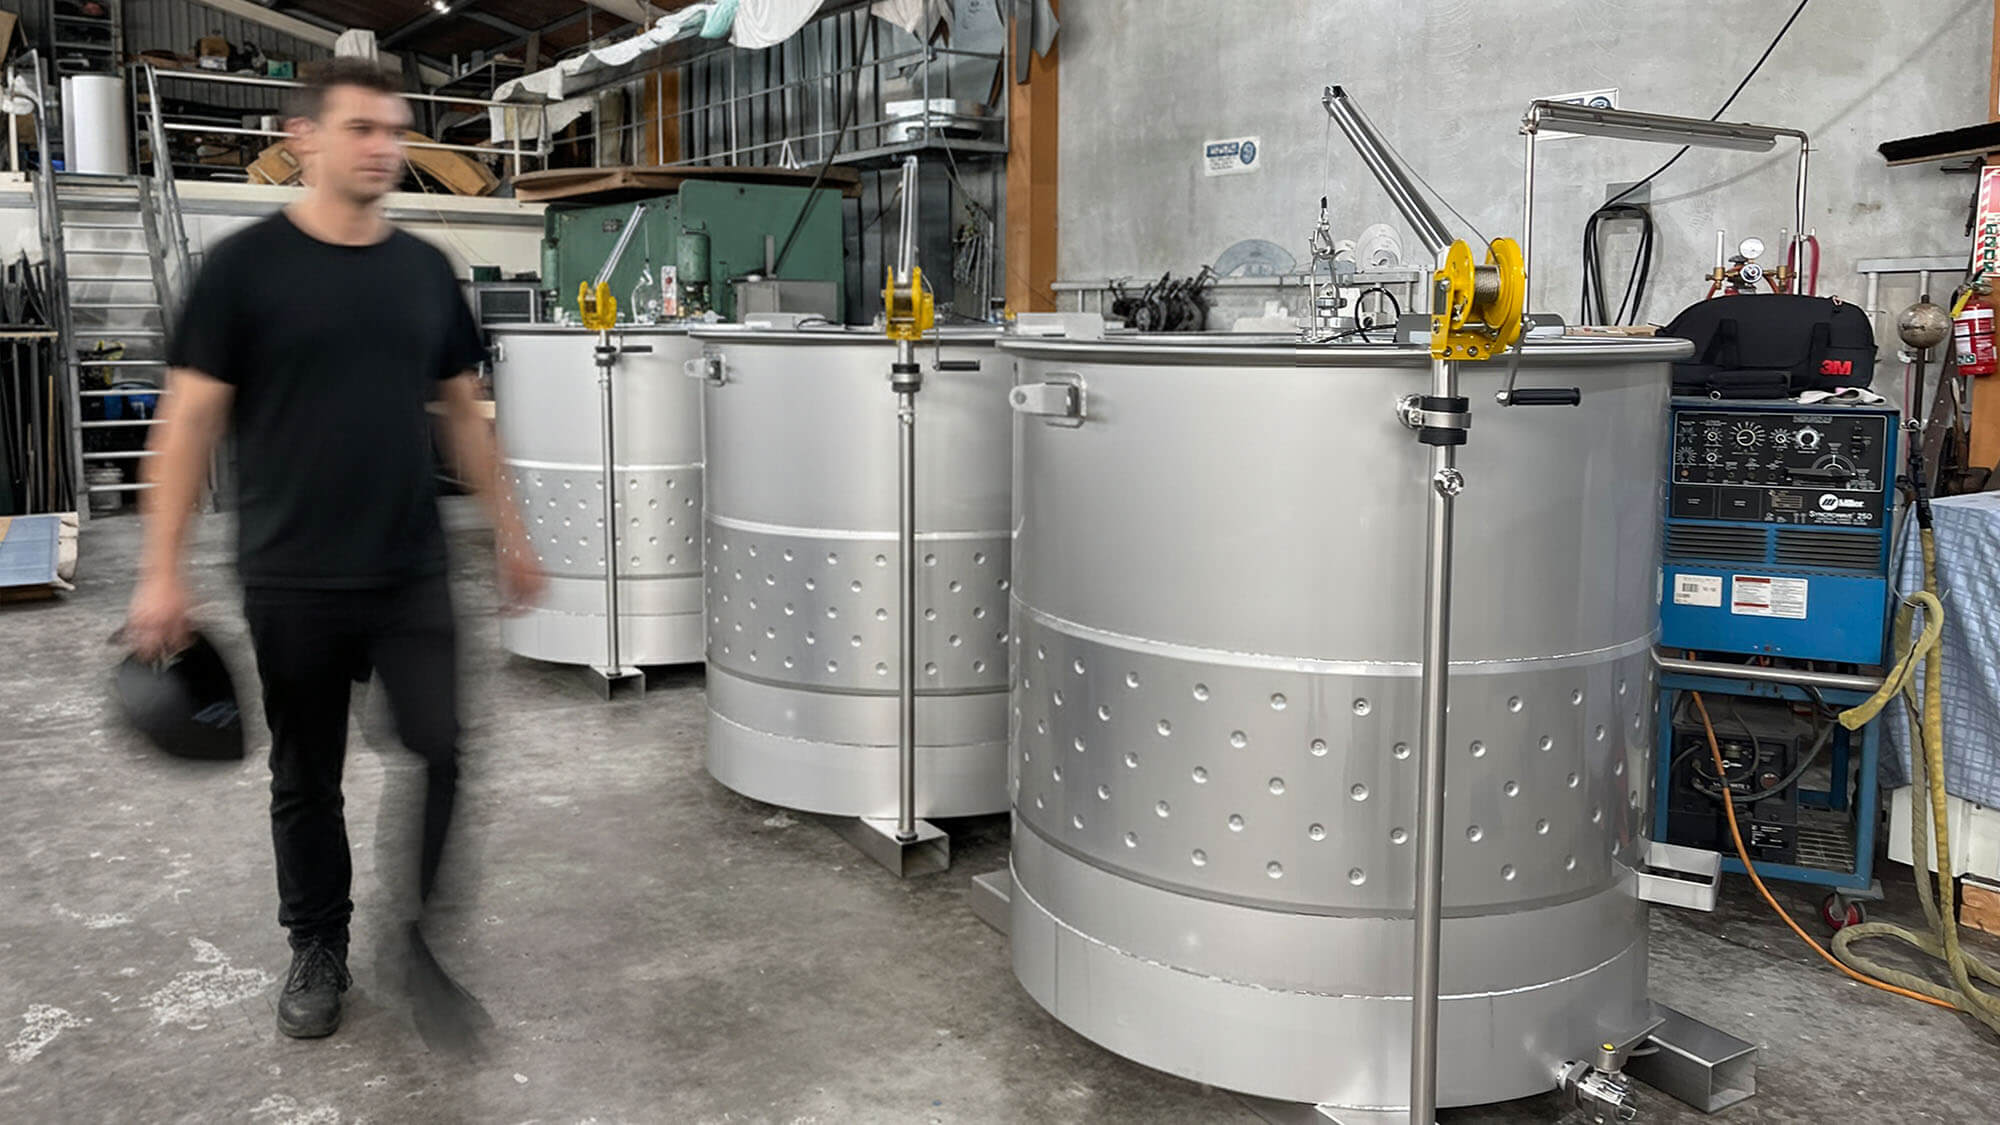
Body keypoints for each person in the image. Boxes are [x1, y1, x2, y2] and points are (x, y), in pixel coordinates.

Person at [125, 59, 543, 1039]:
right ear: (302, 137)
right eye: (361, 129)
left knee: (442, 749)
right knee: (306, 775)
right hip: (293, 571)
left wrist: (513, 536)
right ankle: (318, 945)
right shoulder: (242, 271)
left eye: (393, 131)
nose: (384, 148)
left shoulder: (422, 270)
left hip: (410, 568)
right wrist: (158, 572)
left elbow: (463, 413)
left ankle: (421, 937)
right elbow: (186, 424)